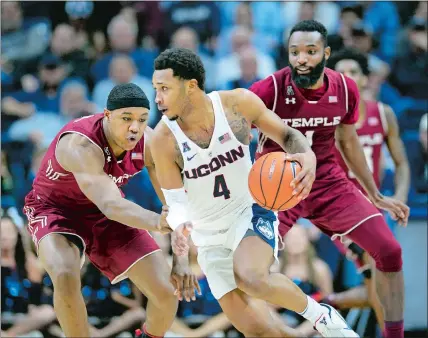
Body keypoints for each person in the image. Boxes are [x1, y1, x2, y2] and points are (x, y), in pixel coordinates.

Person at [150, 47, 358, 337]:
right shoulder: (162, 139)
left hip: (248, 212)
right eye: (155, 89)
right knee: (260, 331)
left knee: (251, 277)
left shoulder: (236, 104)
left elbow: (287, 135)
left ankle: (321, 315)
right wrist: (181, 259)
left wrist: (307, 156)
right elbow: (176, 205)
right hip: (208, 238)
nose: (157, 98)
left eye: (164, 88)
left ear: (191, 86)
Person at [249, 20, 409, 338]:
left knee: (390, 251)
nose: (302, 58)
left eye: (310, 51)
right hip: (278, 188)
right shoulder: (271, 87)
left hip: (327, 183)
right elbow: (237, 127)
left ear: (326, 53)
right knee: (251, 272)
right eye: (295, 52)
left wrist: (375, 194)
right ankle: (289, 329)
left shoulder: (344, 88)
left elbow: (348, 142)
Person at [22, 83, 197, 338]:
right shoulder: (79, 145)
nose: (134, 127)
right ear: (107, 115)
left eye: (142, 119)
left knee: (167, 293)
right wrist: (160, 223)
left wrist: (181, 260)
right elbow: (112, 205)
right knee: (64, 272)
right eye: (126, 118)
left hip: (104, 213)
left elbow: (174, 206)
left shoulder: (149, 144)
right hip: (56, 211)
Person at [324, 47, 411, 332]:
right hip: (340, 209)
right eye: (341, 73)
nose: (348, 77)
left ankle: (324, 302)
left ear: (364, 79)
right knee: (376, 270)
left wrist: (399, 195)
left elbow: (401, 164)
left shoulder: (383, 114)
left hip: (375, 208)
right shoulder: (324, 118)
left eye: (354, 72)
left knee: (378, 279)